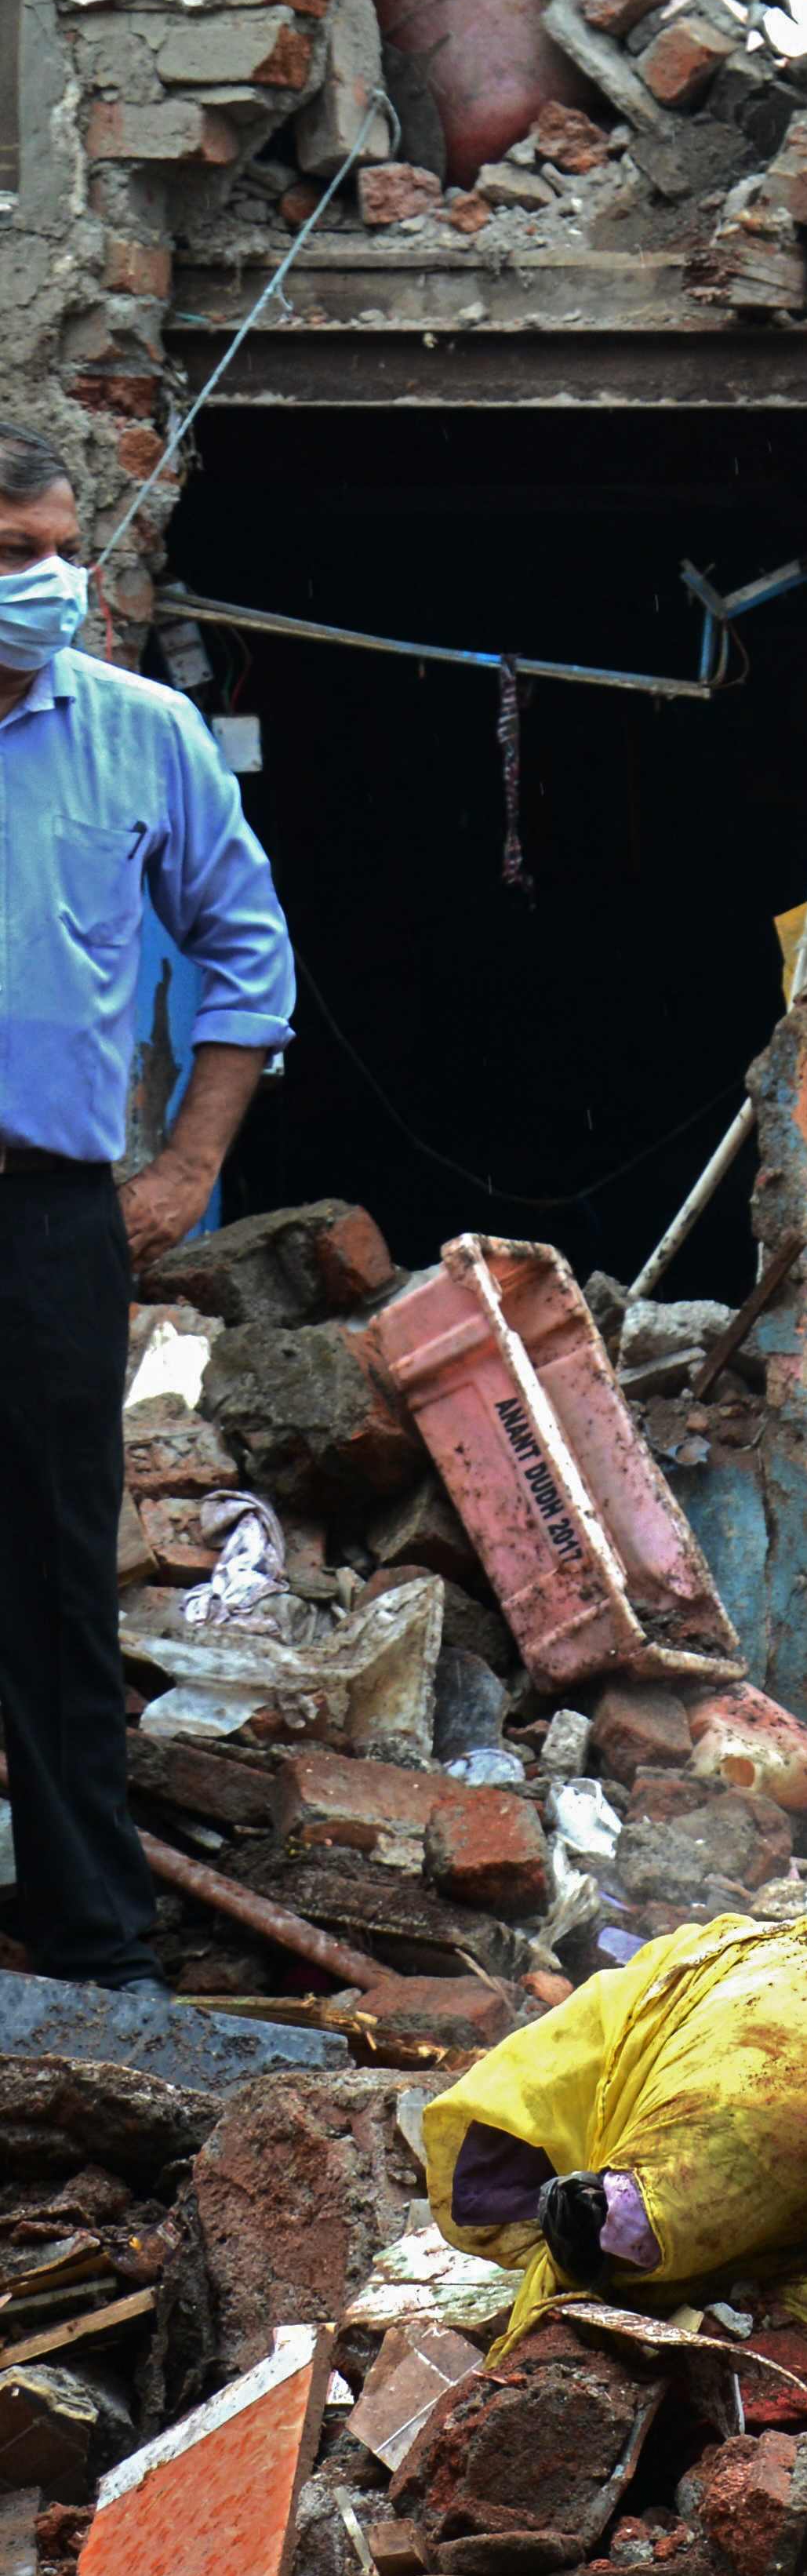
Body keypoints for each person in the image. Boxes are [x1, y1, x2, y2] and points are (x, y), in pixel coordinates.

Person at [0, 433, 287, 1992]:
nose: (37, 581)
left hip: (47, 1214)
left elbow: (251, 960)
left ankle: (91, 1941)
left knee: (53, 1577)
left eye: (53, 546)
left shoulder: (142, 735)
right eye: (2, 549)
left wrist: (182, 1169)